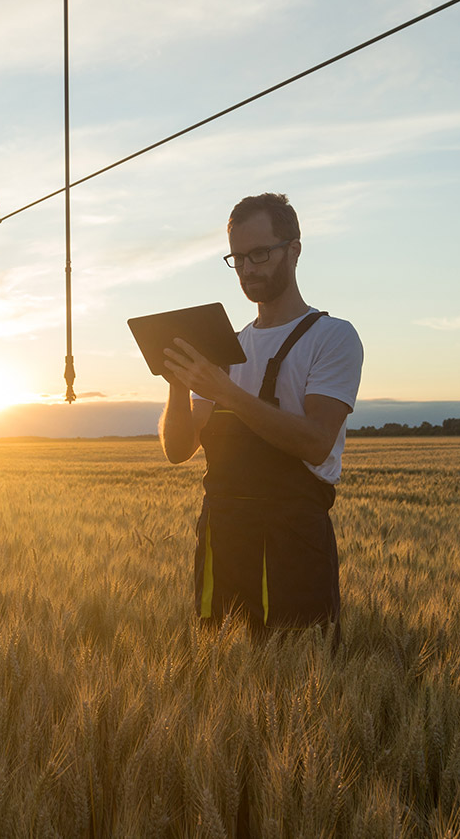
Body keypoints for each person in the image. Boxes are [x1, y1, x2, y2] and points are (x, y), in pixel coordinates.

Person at [160, 193, 363, 645]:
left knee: (299, 681)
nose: (248, 269)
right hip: (222, 539)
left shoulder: (332, 337)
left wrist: (225, 391)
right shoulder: (224, 347)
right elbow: (178, 450)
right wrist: (177, 381)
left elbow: (316, 442)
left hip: (292, 541)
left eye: (260, 254)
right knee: (221, 681)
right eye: (238, 258)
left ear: (294, 249)